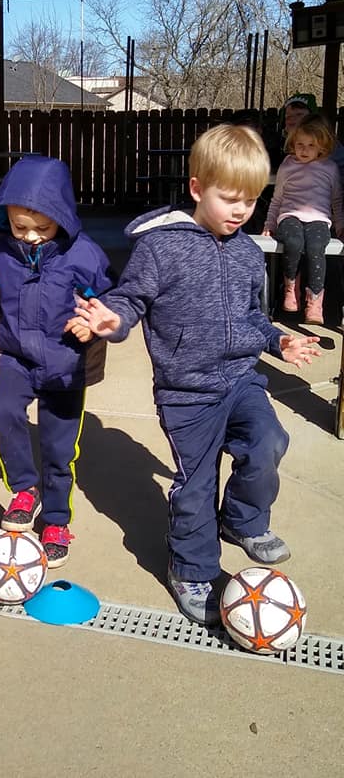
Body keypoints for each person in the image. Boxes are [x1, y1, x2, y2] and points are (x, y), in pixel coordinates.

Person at [69, 124, 320, 625]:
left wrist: (279, 340)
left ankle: (244, 520)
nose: (241, 210)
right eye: (230, 198)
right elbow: (130, 297)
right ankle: (193, 568)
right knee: (197, 483)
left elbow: (253, 316)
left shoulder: (250, 253)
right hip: (188, 393)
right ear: (197, 188)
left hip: (241, 380)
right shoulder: (161, 249)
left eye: (251, 199)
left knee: (269, 440)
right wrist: (111, 319)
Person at [0, 156, 116, 567]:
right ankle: (24, 488)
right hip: (16, 357)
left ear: (63, 219)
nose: (31, 236)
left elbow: (110, 297)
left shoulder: (83, 255)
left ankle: (56, 520)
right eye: (20, 227)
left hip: (66, 365)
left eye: (42, 227)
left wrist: (96, 320)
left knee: (58, 449)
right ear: (6, 218)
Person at [263, 113, 344, 324]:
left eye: (311, 145)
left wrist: (340, 225)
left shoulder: (330, 168)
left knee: (317, 246)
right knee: (293, 242)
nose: (304, 150)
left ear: (322, 146)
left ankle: (315, 300)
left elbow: (336, 201)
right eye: (300, 144)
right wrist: (269, 224)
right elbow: (277, 198)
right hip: (289, 216)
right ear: (293, 143)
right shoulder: (288, 165)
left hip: (319, 218)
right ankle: (291, 288)